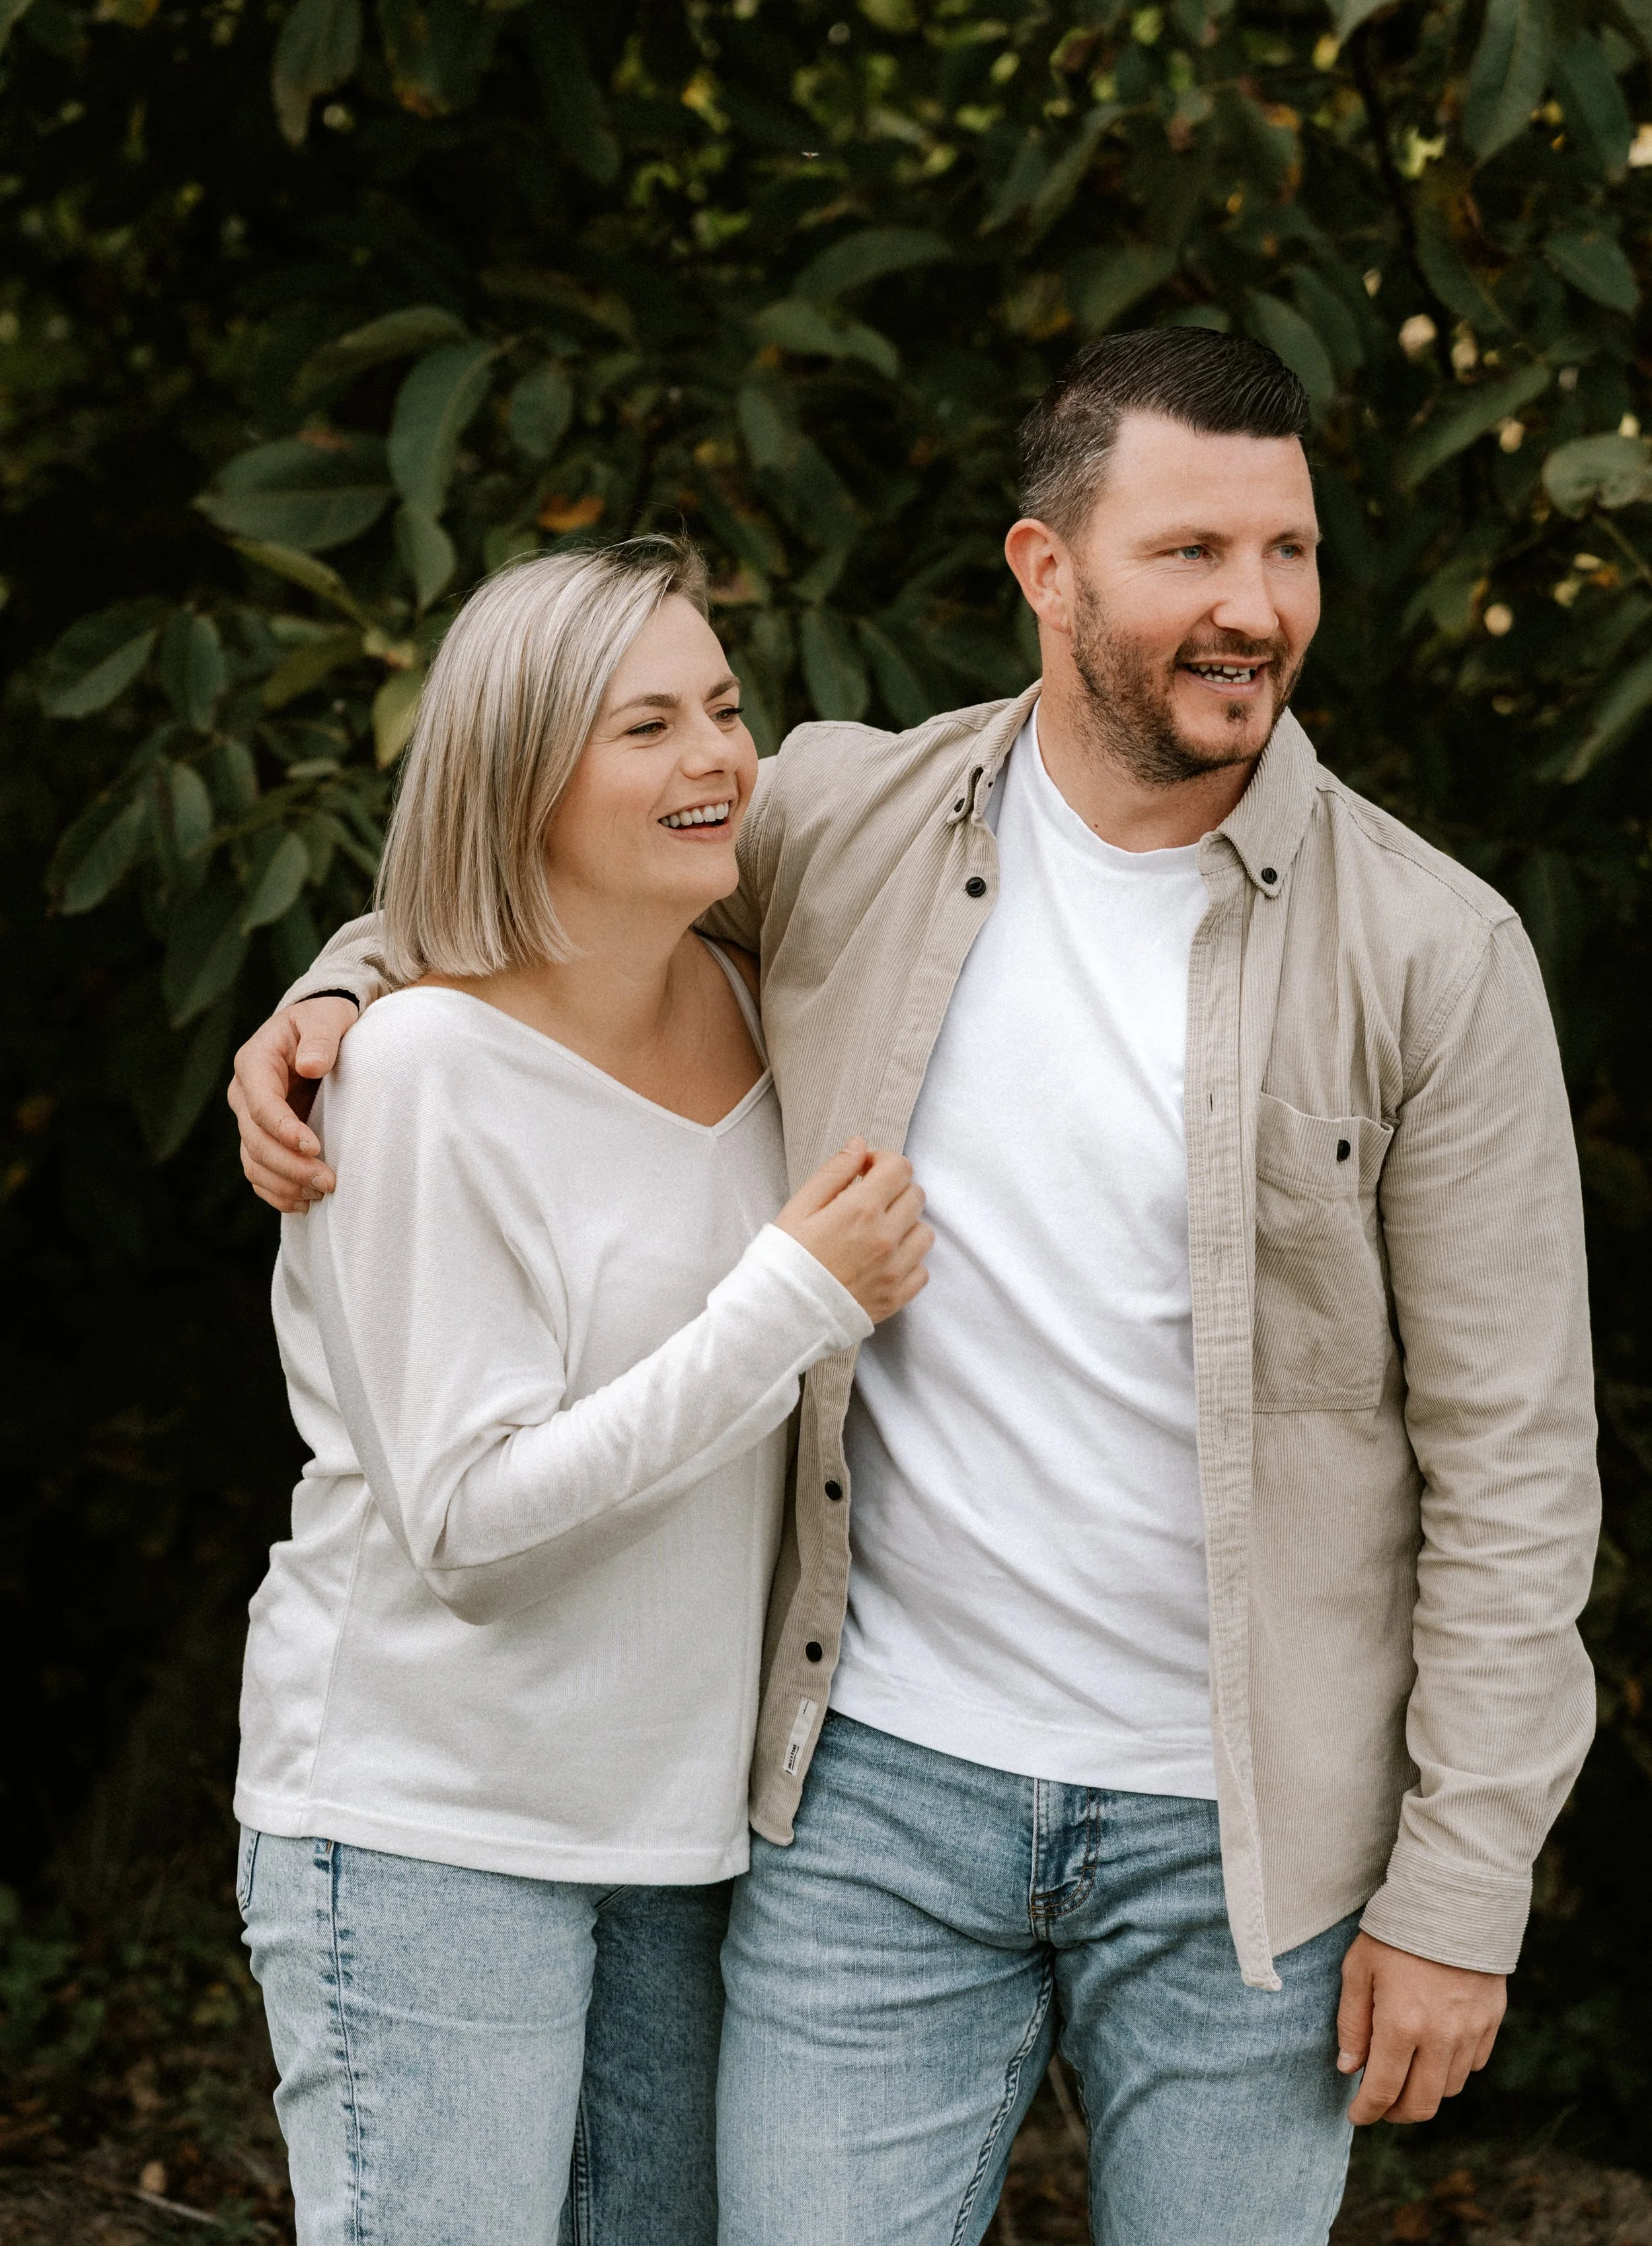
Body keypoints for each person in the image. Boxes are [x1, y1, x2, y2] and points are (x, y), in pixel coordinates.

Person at [231, 330, 1600, 2246]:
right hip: (869, 1799)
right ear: (1046, 571)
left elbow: (1517, 1460)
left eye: (1285, 552)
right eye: (1189, 552)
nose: (1252, 608)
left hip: (1244, 1841)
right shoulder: (846, 820)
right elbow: (548, 863)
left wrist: (1460, 1886)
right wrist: (343, 988)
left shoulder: (1431, 949)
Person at [231, 537, 931, 2246]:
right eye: (645, 726)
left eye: (722, 706)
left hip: (679, 1829)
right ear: (521, 776)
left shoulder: (762, 1008)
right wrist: (787, 1299)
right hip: (427, 1819)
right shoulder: (415, 1067)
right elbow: (471, 1528)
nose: (715, 758)